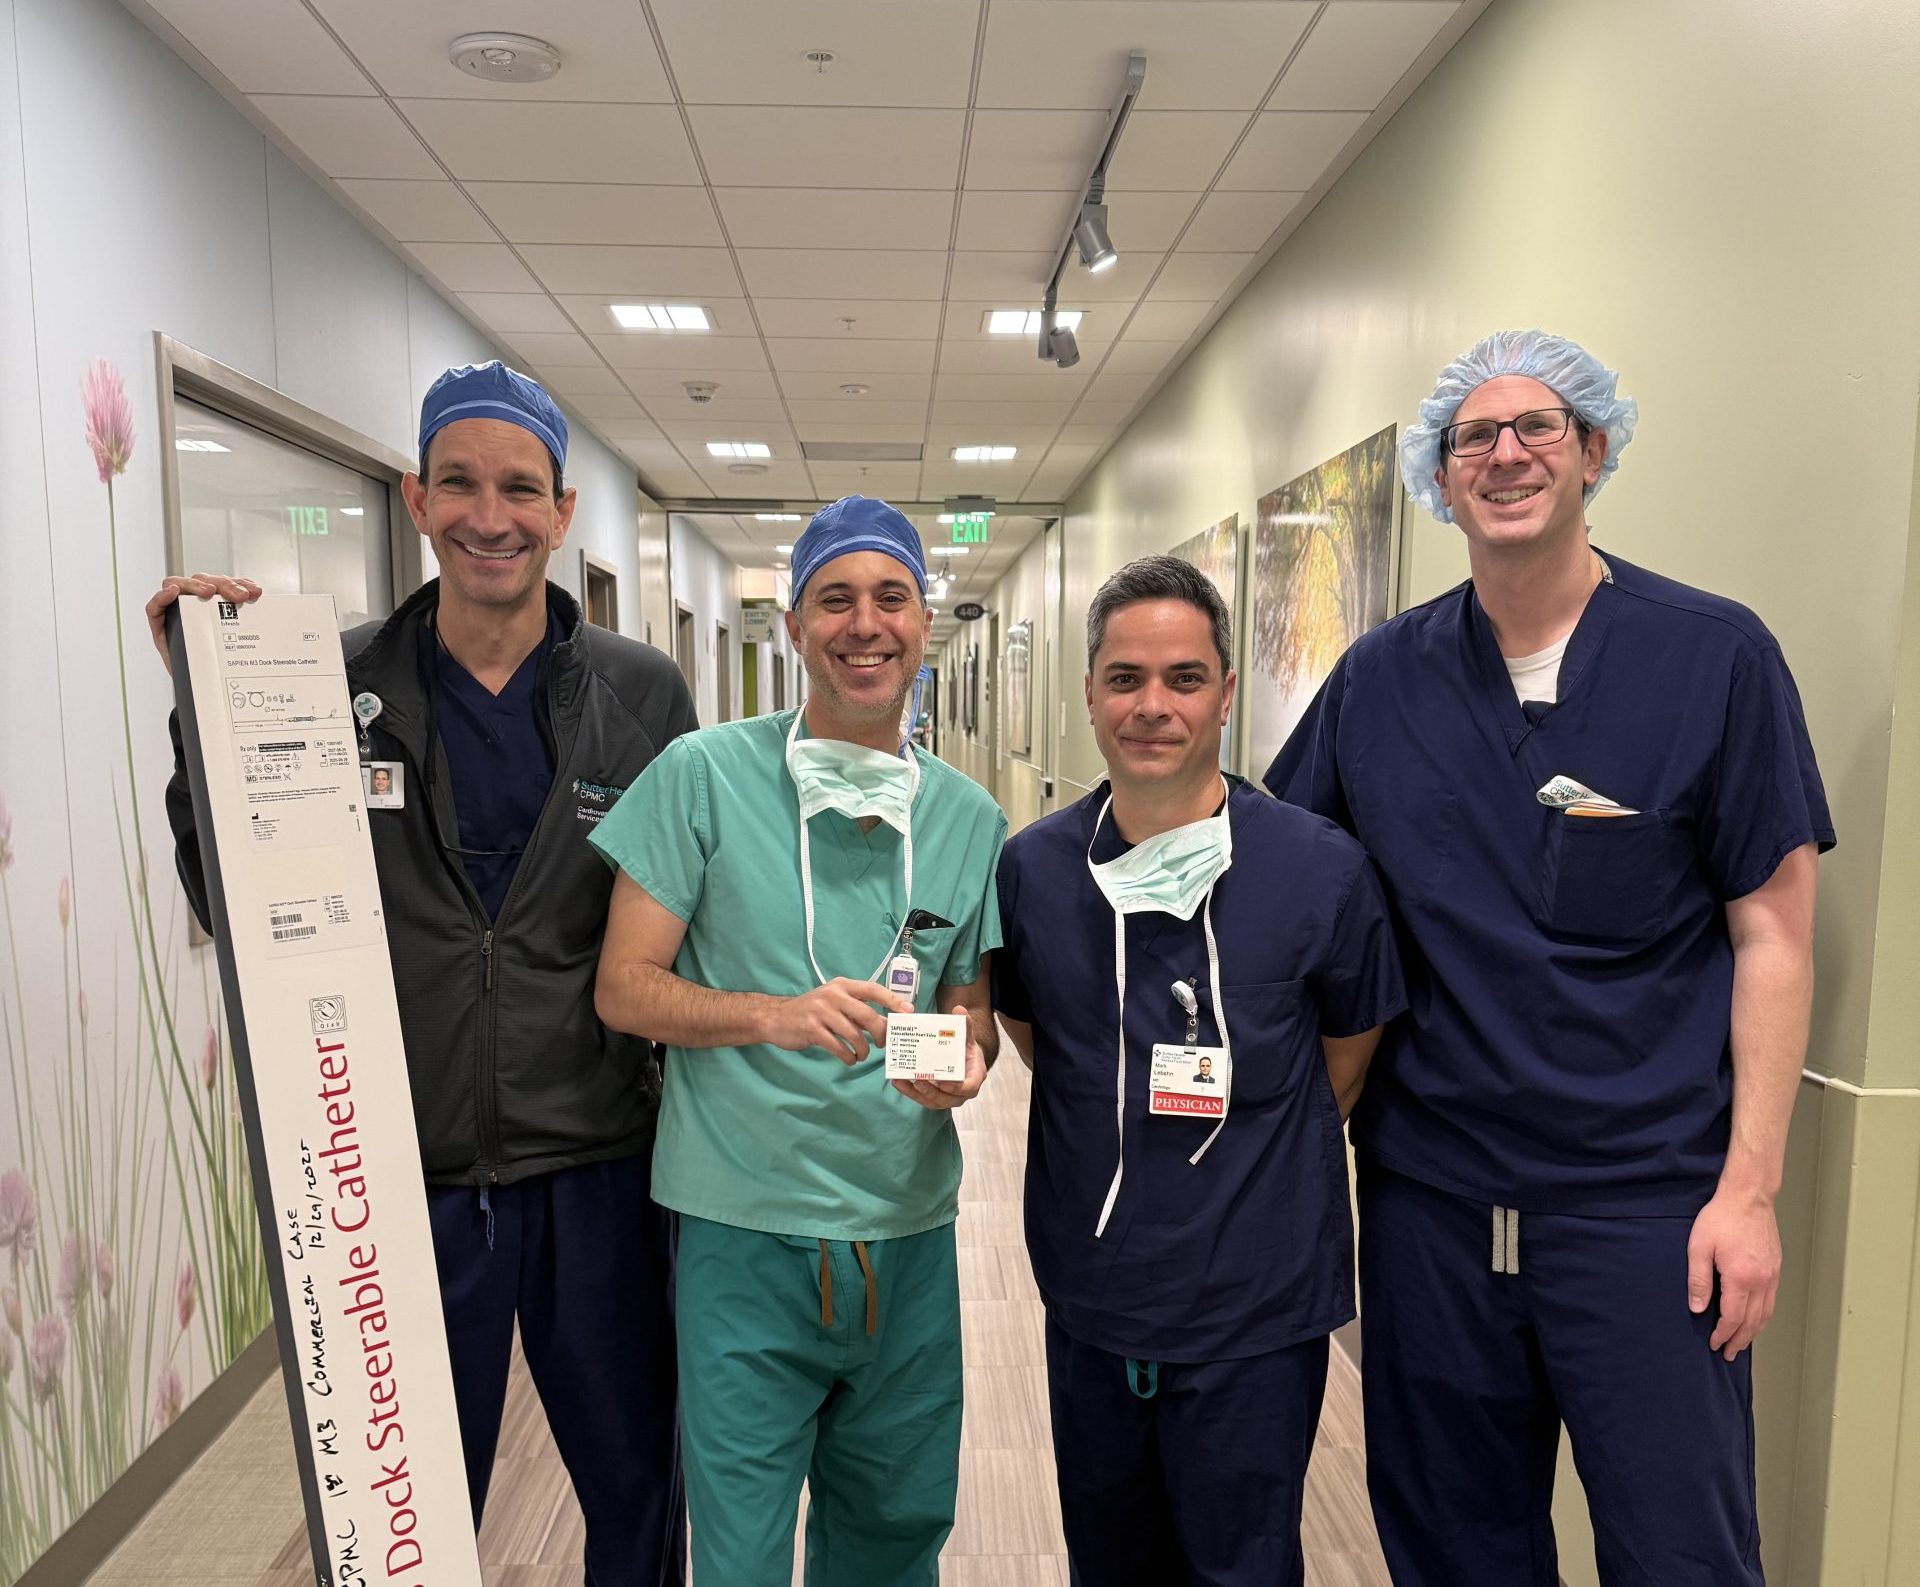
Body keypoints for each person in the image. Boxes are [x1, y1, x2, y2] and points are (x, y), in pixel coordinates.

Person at [1267, 330, 1832, 1586]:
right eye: (1474, 435)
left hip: (1646, 1215)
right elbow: (1287, 878)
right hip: (1431, 1205)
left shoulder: (1715, 657)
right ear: (1440, 474)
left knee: (1680, 1551)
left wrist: (1749, 1195)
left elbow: (1775, 932)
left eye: (1537, 428)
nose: (1506, 454)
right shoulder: (1378, 680)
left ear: (1593, 450)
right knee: (1453, 1550)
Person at [146, 361, 695, 1587]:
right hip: (394, 1173)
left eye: (518, 488)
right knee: (401, 1519)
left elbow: (688, 909)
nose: (487, 515)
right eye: (458, 482)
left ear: (561, 513)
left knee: (637, 1484)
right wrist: (208, 710)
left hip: (598, 1162)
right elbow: (232, 900)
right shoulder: (322, 685)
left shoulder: (643, 694)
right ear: (413, 497)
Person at [589, 495, 1006, 1587]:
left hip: (905, 1235)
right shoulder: (703, 776)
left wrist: (967, 1061)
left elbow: (974, 1007)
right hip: (742, 1230)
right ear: (793, 627)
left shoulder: (969, 817)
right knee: (738, 1552)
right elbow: (624, 989)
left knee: (893, 1535)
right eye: (835, 600)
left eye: (890, 599)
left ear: (925, 621)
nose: (864, 625)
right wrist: (769, 1014)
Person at [994, 556, 1404, 1586]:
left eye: (1184, 679)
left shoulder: (1320, 870)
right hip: (1095, 1295)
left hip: (1254, 1306)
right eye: (1125, 678)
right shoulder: (1037, 869)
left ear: (1226, 693)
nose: (1153, 706)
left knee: (1242, 1565)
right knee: (1111, 1561)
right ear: (1088, 693)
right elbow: (1049, 1043)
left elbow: (1340, 1066)